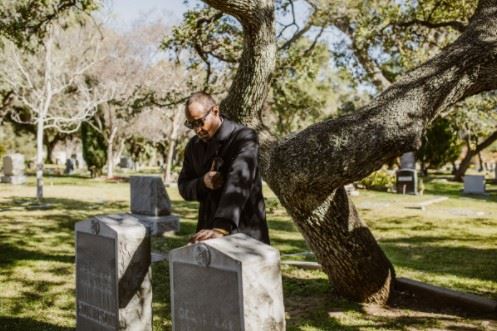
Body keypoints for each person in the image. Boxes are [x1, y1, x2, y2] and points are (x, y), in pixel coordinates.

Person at [178, 92, 270, 244]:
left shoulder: (244, 137)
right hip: (207, 230)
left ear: (215, 111)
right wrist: (203, 182)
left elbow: (239, 180)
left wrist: (221, 228)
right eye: (191, 124)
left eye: (200, 122)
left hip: (244, 231)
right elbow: (183, 187)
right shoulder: (193, 147)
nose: (197, 129)